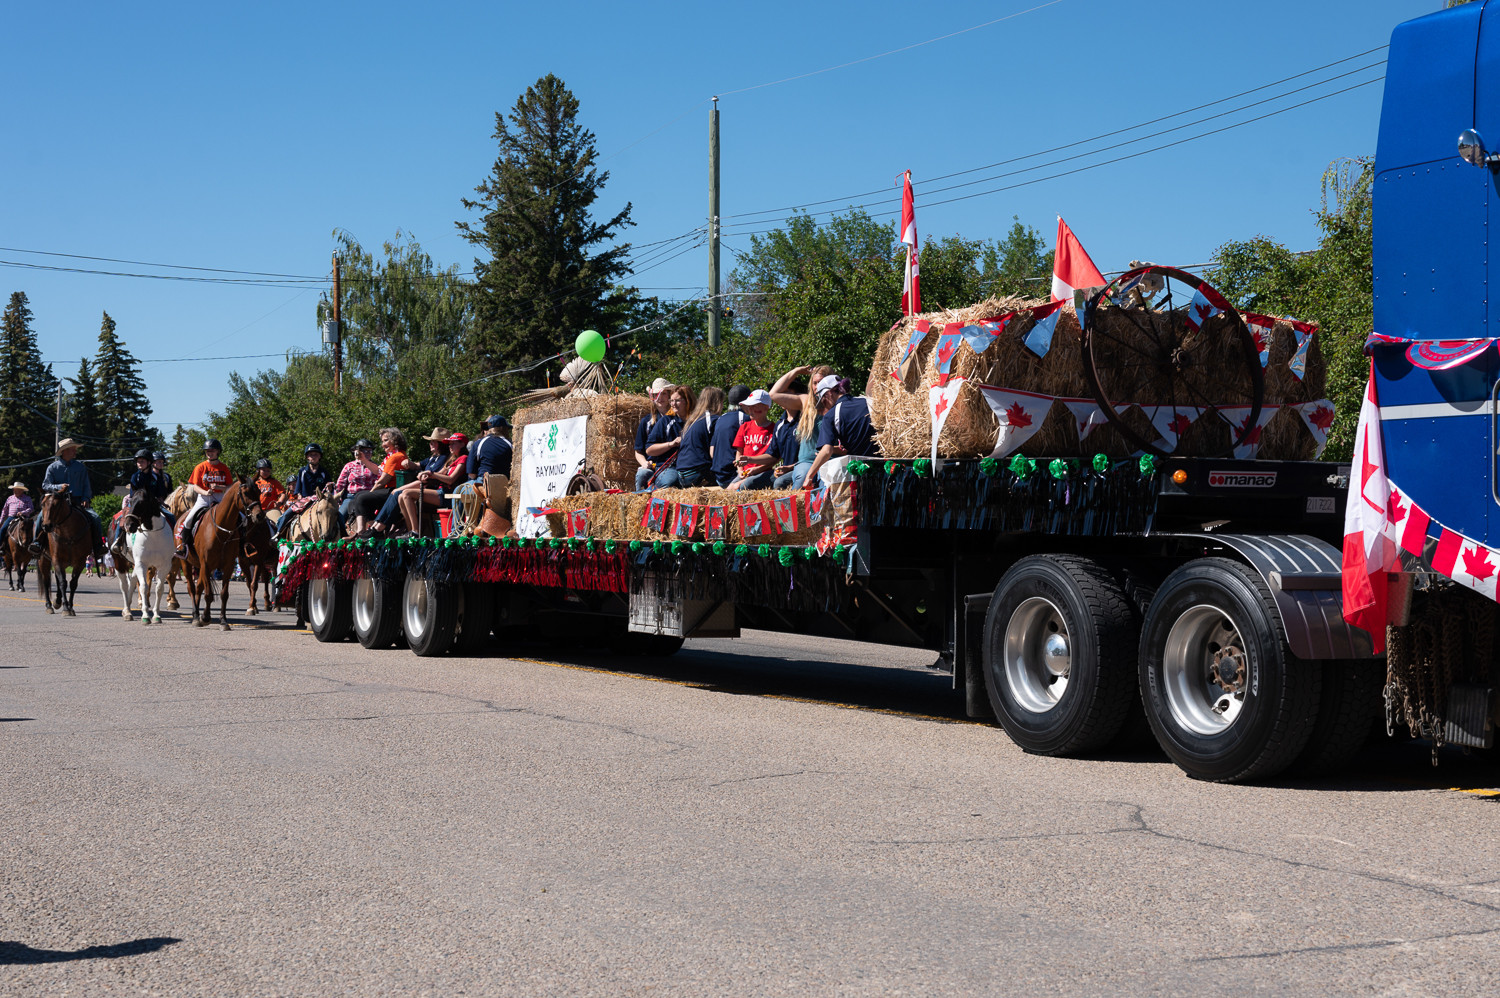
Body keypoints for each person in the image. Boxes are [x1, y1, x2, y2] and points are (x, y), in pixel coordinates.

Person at [30, 438, 106, 560]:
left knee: (96, 518)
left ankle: (98, 546)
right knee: (40, 518)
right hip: (57, 502)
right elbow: (45, 485)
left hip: (77, 502)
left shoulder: (80, 467)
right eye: (72, 449)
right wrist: (59, 486)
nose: (75, 451)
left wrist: (86, 498)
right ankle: (36, 543)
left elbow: (86, 486)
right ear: (64, 451)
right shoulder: (52, 468)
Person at [801, 375, 878, 488]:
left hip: (859, 472)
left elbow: (826, 451)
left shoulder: (831, 416)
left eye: (823, 400)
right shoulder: (868, 402)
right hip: (884, 466)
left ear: (829, 393)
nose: (824, 405)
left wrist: (809, 476)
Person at [769, 364, 831, 488]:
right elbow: (773, 394)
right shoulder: (806, 401)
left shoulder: (836, 404)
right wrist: (796, 371)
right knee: (802, 480)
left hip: (829, 460)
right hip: (807, 462)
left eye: (821, 382)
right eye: (815, 383)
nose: (818, 386)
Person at [396, 432, 469, 535]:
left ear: (462, 444)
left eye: (453, 443)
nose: (450, 446)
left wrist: (432, 474)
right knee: (401, 496)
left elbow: (451, 479)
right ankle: (411, 530)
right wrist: (426, 474)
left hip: (450, 495)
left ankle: (416, 531)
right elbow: (439, 474)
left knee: (407, 494)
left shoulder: (464, 458)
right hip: (441, 492)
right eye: (449, 444)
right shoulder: (451, 459)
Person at [345, 428, 415, 532]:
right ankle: (360, 530)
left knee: (362, 498)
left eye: (386, 440)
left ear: (395, 440)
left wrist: (371, 492)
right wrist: (363, 459)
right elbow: (378, 471)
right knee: (359, 496)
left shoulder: (396, 457)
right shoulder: (391, 456)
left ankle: (374, 529)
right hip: (389, 489)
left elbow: (382, 481)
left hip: (393, 491)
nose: (383, 444)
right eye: (382, 441)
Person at [175, 439, 234, 557]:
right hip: (204, 498)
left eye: (212, 450)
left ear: (218, 451)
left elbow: (230, 487)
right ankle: (183, 547)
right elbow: (195, 486)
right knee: (188, 520)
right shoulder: (200, 467)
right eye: (207, 451)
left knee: (240, 518)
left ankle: (241, 547)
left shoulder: (224, 467)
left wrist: (219, 487)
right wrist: (205, 492)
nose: (209, 453)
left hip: (220, 498)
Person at [663, 388, 725, 488]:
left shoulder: (693, 419)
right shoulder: (713, 420)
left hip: (681, 474)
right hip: (698, 474)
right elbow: (713, 453)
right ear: (718, 402)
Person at [727, 389, 776, 491]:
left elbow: (774, 458)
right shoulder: (745, 427)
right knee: (729, 490)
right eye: (749, 406)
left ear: (766, 407)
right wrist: (740, 470)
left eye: (754, 406)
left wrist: (757, 469)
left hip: (761, 471)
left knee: (737, 487)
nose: (750, 409)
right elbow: (739, 452)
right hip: (745, 472)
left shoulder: (774, 429)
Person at [634, 377, 675, 490]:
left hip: (670, 466)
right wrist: (644, 463)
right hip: (651, 466)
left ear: (670, 396)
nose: (660, 398)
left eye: (663, 394)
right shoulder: (646, 422)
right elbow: (638, 451)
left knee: (667, 481)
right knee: (642, 474)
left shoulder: (677, 420)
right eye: (656, 394)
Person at [335, 439, 382, 534]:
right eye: (365, 451)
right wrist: (338, 500)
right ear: (357, 452)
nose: (368, 453)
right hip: (351, 496)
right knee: (339, 516)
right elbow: (340, 485)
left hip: (369, 497)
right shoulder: (349, 466)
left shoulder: (376, 466)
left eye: (370, 451)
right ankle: (340, 538)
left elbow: (380, 482)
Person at [710, 384, 752, 487]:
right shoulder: (745, 418)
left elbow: (712, 452)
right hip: (733, 476)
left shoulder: (720, 418)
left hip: (718, 476)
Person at [467, 415, 513, 480]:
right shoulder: (510, 444)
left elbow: (472, 474)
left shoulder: (479, 443)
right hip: (504, 484)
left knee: (458, 489)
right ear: (504, 429)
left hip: (483, 483)